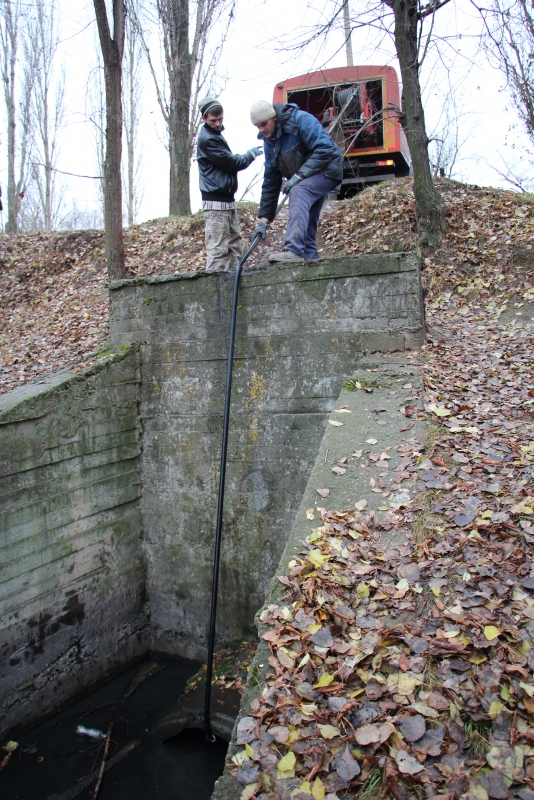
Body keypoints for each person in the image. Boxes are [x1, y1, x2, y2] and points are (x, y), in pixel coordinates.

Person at [250, 99, 342, 263]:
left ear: (274, 117)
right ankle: (312, 268)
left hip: (326, 169)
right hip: (305, 177)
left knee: (299, 191)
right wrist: (263, 220)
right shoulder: (269, 142)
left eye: (264, 124)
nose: (262, 129)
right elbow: (271, 181)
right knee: (306, 232)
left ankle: (293, 250)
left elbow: (325, 149)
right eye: (258, 126)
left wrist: (298, 176)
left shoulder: (300, 120)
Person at [197, 96, 262, 272]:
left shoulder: (215, 135)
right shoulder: (208, 139)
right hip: (215, 204)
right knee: (218, 254)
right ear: (204, 119)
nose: (218, 123)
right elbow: (233, 163)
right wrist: (250, 155)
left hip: (227, 201)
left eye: (220, 119)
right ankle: (214, 289)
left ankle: (235, 288)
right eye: (213, 120)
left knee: (235, 249)